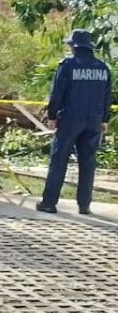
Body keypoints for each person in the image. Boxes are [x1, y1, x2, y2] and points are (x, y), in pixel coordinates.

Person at [37, 29, 112, 215]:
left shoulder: (68, 65)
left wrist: (52, 116)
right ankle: (84, 205)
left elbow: (58, 93)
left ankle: (49, 203)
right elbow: (107, 96)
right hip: (94, 121)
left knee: (59, 159)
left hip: (71, 119)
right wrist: (104, 119)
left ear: (74, 46)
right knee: (88, 162)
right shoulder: (103, 68)